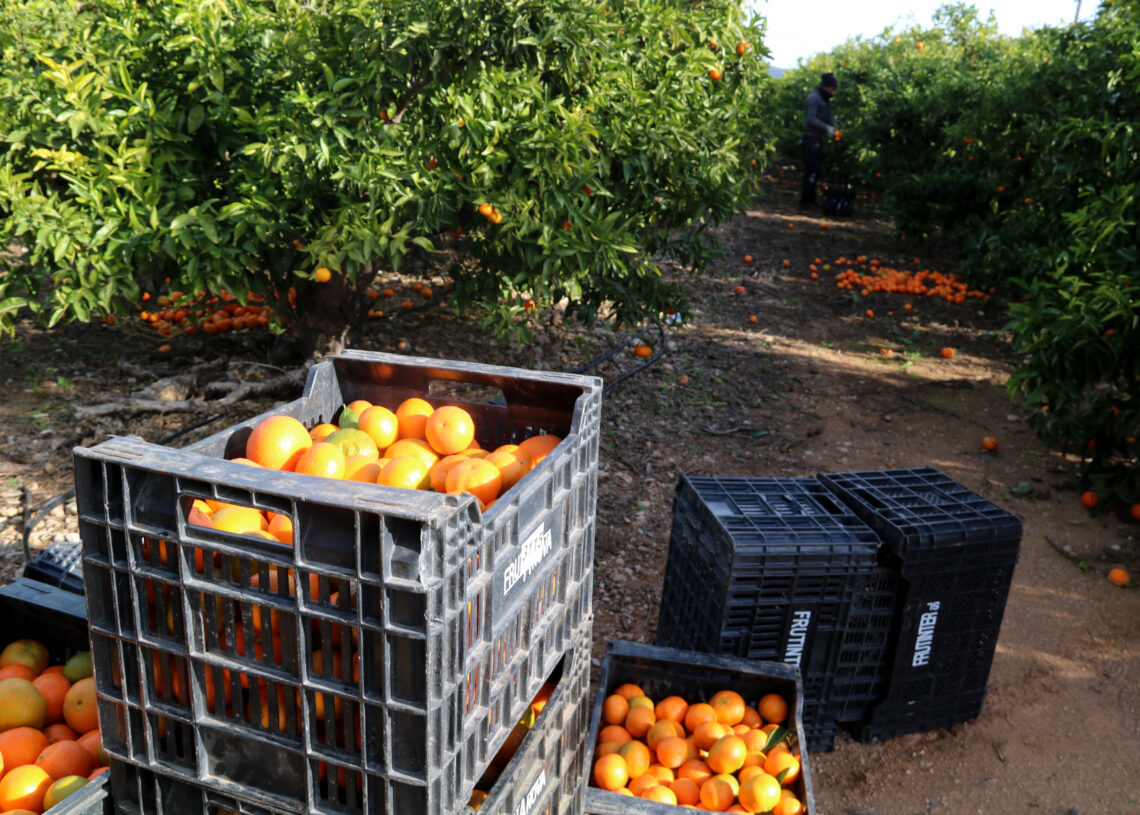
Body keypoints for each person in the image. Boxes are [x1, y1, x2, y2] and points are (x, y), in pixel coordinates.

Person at [800, 72, 839, 208]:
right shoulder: (814, 98)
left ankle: (811, 200)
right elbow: (810, 119)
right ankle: (805, 201)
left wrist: (835, 122)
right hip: (811, 139)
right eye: (831, 90)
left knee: (816, 171)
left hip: (818, 139)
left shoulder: (824, 99)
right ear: (825, 87)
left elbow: (826, 116)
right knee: (811, 171)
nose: (833, 93)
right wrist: (827, 128)